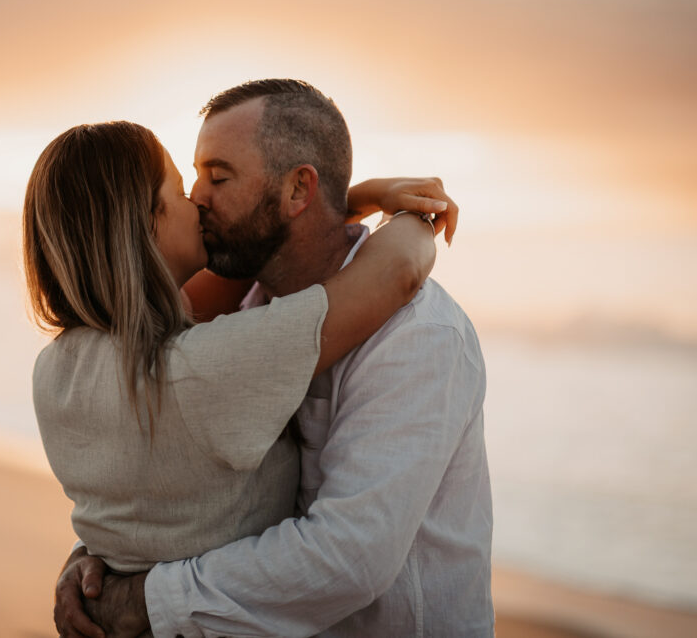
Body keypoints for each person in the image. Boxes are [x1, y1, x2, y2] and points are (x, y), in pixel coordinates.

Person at [54, 80, 493, 637]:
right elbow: (176, 471)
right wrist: (98, 553)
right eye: (192, 178)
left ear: (296, 190)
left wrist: (142, 599)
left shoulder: (418, 337)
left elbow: (347, 558)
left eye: (218, 177)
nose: (197, 198)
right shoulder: (231, 317)